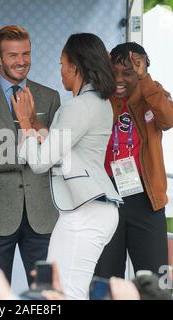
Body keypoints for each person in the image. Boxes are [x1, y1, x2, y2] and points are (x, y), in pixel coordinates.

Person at [12, 33, 123, 299]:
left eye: (62, 64)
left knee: (65, 293)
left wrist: (25, 125)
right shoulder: (98, 103)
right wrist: (37, 128)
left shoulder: (78, 106)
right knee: (56, 290)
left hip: (87, 211)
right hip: (86, 208)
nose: (60, 70)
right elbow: (70, 148)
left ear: (75, 67)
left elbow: (39, 163)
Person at [0, 25, 60, 286]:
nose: (21, 61)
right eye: (13, 55)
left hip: (43, 214)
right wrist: (25, 152)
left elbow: (56, 152)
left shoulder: (49, 97)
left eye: (26, 54)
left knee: (48, 292)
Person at [95, 42, 173, 279]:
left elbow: (168, 120)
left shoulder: (153, 94)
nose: (119, 79)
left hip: (146, 198)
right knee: (105, 281)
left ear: (141, 71)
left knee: (154, 281)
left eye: (128, 73)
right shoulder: (100, 98)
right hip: (106, 196)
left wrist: (144, 80)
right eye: (114, 71)